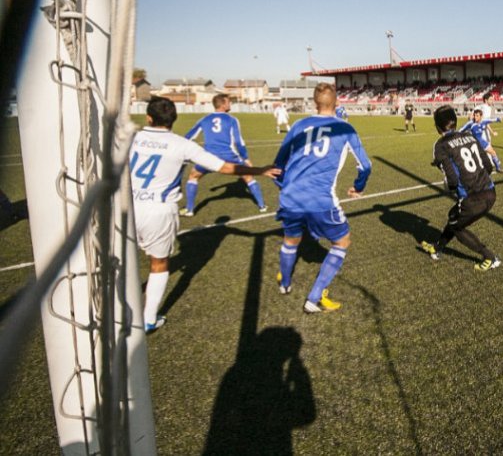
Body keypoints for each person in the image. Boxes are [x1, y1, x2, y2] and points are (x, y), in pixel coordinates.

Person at [130, 97, 278, 332]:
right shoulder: (181, 145)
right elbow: (225, 167)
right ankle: (148, 319)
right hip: (158, 210)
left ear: (148, 117)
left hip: (126, 208)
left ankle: (111, 309)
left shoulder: (131, 138)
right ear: (174, 118)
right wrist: (259, 169)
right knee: (158, 263)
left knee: (120, 261)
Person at [273, 83, 372, 314]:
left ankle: (285, 284)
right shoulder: (345, 129)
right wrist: (358, 187)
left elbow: (278, 165)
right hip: (321, 199)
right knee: (342, 241)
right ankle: (313, 298)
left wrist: (284, 187)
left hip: (291, 197)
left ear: (314, 103)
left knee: (290, 240)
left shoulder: (298, 125)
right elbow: (365, 166)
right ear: (336, 103)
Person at [421, 105, 501, 271]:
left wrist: (450, 186)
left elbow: (452, 180)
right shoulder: (469, 135)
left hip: (472, 199)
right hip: (491, 192)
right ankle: (437, 248)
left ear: (437, 127)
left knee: (457, 226)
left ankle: (490, 257)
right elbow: (488, 166)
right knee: (453, 216)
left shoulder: (441, 145)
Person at [180, 94, 267, 216]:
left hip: (208, 157)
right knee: (248, 176)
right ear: (223, 104)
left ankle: (189, 209)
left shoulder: (204, 119)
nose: (230, 104)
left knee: (193, 176)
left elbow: (188, 138)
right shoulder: (232, 120)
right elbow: (238, 141)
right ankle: (262, 206)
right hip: (229, 156)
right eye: (228, 102)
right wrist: (245, 158)